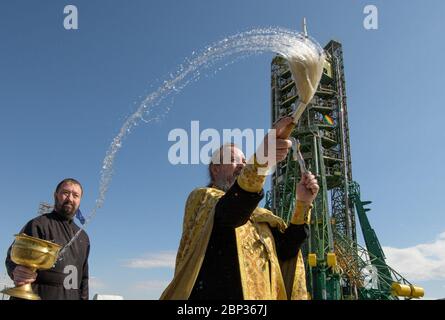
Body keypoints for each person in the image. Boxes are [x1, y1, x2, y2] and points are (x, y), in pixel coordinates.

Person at [161, 117, 319, 300]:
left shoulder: (262, 218)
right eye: (234, 160)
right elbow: (230, 214)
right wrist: (261, 162)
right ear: (216, 169)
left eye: (245, 160)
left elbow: (287, 251)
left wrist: (304, 203)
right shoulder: (203, 199)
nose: (243, 165)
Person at [5, 178, 90, 300]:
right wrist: (15, 270)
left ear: (80, 200)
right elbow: (12, 257)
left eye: (75, 195)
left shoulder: (83, 237)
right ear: (56, 195)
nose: (70, 198)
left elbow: (84, 279)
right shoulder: (38, 224)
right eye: (65, 193)